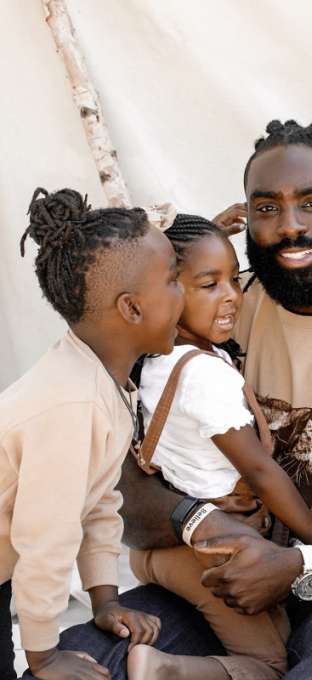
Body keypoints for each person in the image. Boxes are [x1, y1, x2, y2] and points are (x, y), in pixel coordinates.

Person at [58, 120, 312, 680]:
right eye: (266, 208)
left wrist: (304, 563)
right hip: (223, 571)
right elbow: (122, 482)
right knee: (83, 657)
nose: (290, 226)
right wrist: (199, 519)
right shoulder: (215, 311)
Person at [127, 214, 312, 679]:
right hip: (209, 552)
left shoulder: (155, 358)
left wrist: (205, 232)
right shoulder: (204, 375)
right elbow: (260, 471)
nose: (231, 296)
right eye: (209, 285)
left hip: (156, 545)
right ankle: (165, 670)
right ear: (165, 290)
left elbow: (164, 260)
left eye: (235, 279)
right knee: (272, 664)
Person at [1, 188, 183, 679]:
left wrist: (106, 600)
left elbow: (99, 500)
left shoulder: (104, 381)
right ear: (132, 308)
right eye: (173, 279)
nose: (183, 292)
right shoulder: (73, 406)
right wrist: (44, 657)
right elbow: (46, 543)